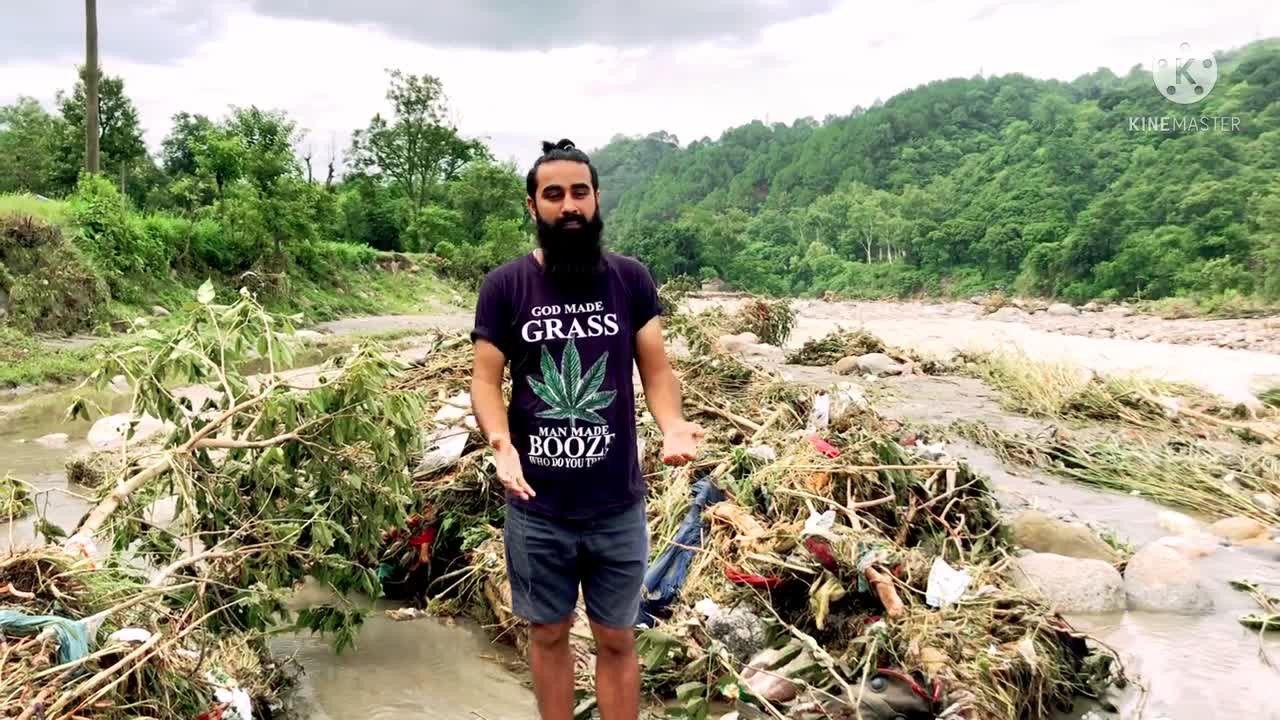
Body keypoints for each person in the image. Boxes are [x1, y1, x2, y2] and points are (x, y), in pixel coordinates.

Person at [470, 138, 705, 720]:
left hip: (616, 506)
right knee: (548, 635)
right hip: (537, 508)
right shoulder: (506, 286)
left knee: (618, 638)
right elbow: (484, 381)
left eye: (580, 192)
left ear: (597, 199)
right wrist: (500, 445)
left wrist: (672, 426)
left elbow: (655, 368)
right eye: (554, 195)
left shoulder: (628, 279)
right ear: (533, 207)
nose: (569, 205)